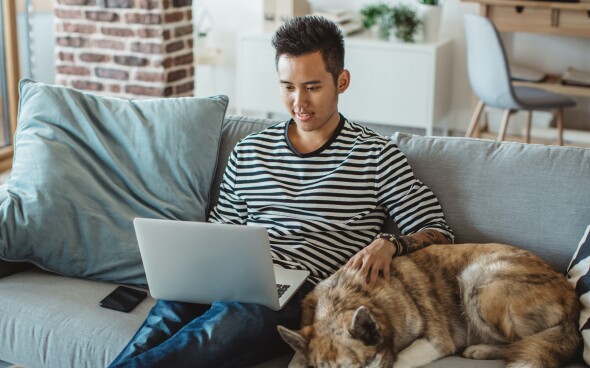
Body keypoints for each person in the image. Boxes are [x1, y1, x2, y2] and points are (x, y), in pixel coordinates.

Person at [109, 15, 453, 368]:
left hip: (304, 297)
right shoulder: (249, 151)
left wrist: (390, 243)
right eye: (288, 86)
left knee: (211, 332)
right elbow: (220, 231)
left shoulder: (377, 155)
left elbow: (440, 233)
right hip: (234, 277)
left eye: (313, 87)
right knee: (163, 318)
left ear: (342, 81)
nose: (299, 101)